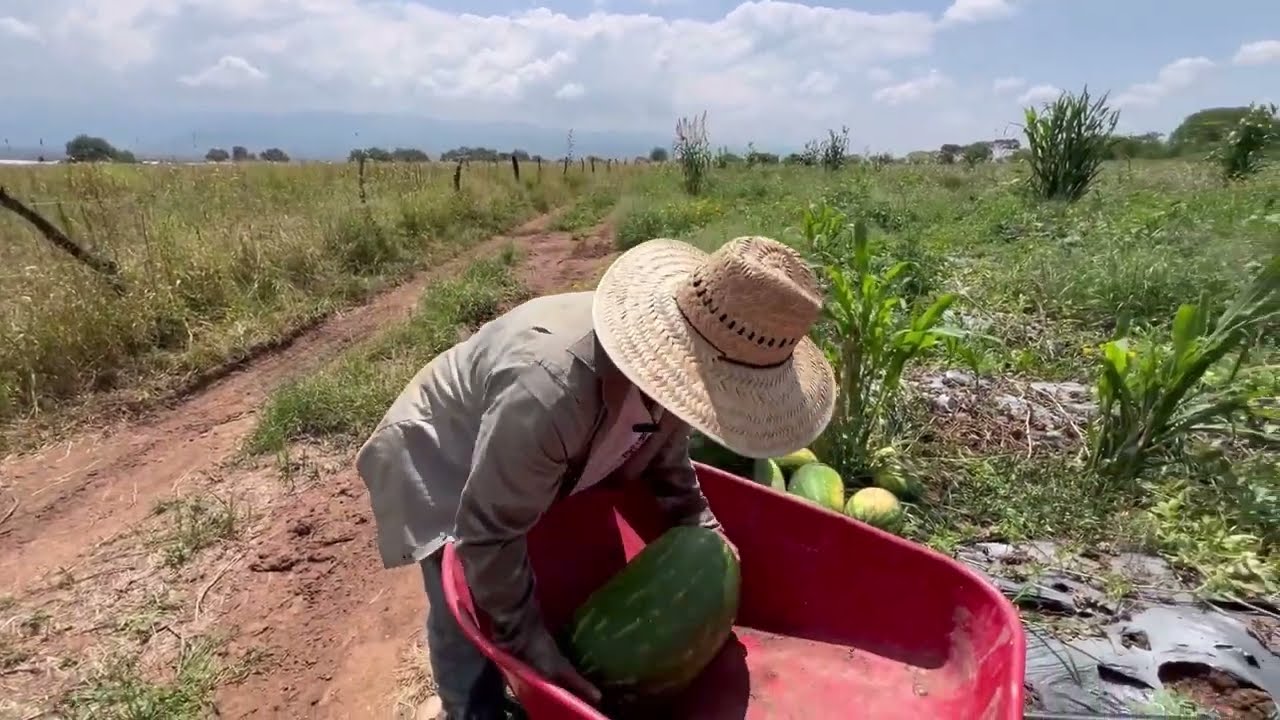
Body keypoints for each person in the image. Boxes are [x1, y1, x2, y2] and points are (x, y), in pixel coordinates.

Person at [355, 234, 837, 719]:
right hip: (445, 453)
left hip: (528, 451)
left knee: (524, 564)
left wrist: (701, 525)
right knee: (460, 605)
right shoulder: (550, 391)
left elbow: (664, 449)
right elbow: (488, 534)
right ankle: (466, 706)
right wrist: (528, 649)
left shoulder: (670, 371)